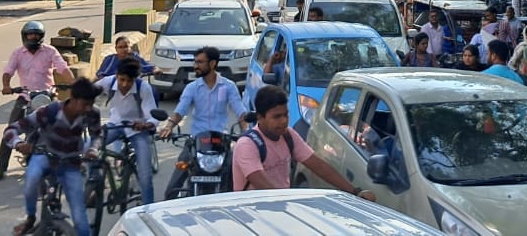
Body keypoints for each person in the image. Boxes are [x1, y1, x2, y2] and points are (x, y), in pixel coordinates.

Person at [232, 85, 376, 200]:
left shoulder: (288, 135)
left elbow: (317, 165)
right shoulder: (248, 145)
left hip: (280, 207)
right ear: (260, 118)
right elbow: (261, 184)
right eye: (276, 117)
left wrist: (355, 191)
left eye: (285, 114)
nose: (283, 121)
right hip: (254, 212)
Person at [4, 78, 103, 236]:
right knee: (32, 180)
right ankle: (30, 217)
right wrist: (18, 143)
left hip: (70, 162)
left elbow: (97, 136)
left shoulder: (92, 113)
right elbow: (12, 129)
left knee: (79, 216)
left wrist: (93, 149)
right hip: (45, 155)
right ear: (73, 99)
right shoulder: (49, 111)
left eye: (91, 104)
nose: (88, 108)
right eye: (85, 104)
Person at [157, 46, 249, 199]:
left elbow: (240, 112)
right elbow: (181, 110)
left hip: (222, 141)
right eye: (195, 62)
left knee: (236, 182)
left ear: (212, 64)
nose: (195, 66)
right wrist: (169, 126)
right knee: (172, 189)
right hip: (196, 140)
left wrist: (246, 132)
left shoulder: (228, 86)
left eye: (200, 62)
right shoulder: (192, 88)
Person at [0, 21, 74, 183]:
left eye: (36, 35)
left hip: (47, 96)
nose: (33, 37)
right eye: (30, 35)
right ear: (24, 36)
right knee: (10, 130)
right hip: (26, 96)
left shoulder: (50, 51)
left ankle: (70, 161)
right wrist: (6, 86)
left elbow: (62, 68)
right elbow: (8, 72)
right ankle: (0, 169)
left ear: (41, 37)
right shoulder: (18, 53)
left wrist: (73, 82)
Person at [93, 59, 159, 204]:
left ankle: (149, 209)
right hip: (116, 124)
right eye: (121, 79)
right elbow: (86, 95)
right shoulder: (108, 82)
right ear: (116, 75)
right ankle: (94, 185)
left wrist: (145, 124)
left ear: (135, 80)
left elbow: (153, 117)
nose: (124, 84)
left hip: (137, 130)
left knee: (145, 175)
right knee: (89, 147)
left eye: (129, 81)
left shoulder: (143, 88)